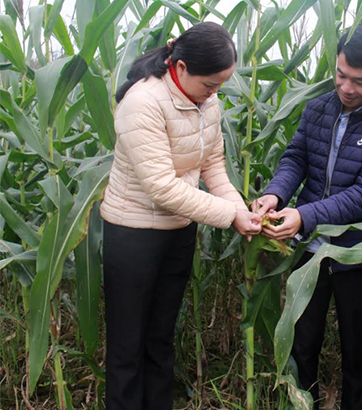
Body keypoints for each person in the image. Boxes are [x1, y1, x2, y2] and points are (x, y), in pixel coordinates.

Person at [100, 22, 261, 410]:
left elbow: (214, 165)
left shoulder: (207, 101)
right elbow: (162, 187)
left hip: (178, 232)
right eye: (210, 84)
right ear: (182, 67)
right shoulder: (143, 102)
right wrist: (229, 216)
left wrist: (242, 210)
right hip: (133, 235)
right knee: (127, 346)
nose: (215, 93)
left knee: (160, 337)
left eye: (221, 85)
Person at [252, 24, 362, 410]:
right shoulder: (317, 108)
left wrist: (304, 215)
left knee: (356, 351)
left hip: (358, 254)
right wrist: (275, 193)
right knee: (304, 343)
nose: (347, 87)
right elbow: (295, 159)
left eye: (359, 81)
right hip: (308, 250)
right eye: (340, 75)